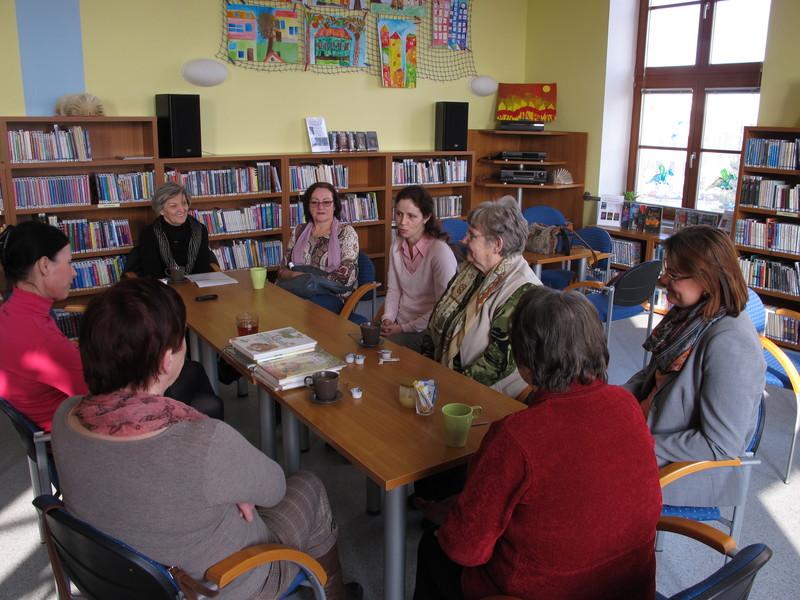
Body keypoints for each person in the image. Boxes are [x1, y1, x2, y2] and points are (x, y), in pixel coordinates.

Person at [51, 277, 360, 600]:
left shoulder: (65, 416)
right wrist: (224, 480)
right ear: (166, 361)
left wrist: (219, 480)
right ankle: (334, 591)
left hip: (118, 576)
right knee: (309, 486)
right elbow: (274, 490)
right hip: (222, 581)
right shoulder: (202, 442)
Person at [414, 286, 662, 600]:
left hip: (541, 590)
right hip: (629, 588)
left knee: (433, 549)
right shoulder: (627, 406)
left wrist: (452, 522)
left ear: (524, 363)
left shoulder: (517, 435)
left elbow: (466, 549)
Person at [0, 222, 222, 431]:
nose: (74, 273)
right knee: (207, 404)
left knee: (193, 371)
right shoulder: (39, 339)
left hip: (73, 413)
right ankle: (203, 452)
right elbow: (103, 396)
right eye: (69, 263)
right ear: (44, 266)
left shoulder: (12, 313)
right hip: (89, 431)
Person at [624, 225, 765, 507]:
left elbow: (721, 444)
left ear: (708, 279)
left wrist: (641, 445)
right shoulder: (689, 317)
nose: (663, 280)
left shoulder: (731, 342)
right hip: (649, 430)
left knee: (579, 477)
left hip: (678, 466)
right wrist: (610, 405)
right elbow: (650, 378)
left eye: (674, 275)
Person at [422, 196, 541, 398]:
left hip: (486, 397)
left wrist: (444, 388)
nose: (463, 240)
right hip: (445, 379)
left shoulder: (522, 290)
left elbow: (495, 365)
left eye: (472, 235)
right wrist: (423, 366)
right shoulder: (472, 271)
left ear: (496, 245)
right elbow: (438, 317)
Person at [381, 186, 457, 352]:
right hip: (400, 322)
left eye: (411, 216)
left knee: (384, 349)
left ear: (426, 217)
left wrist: (403, 328)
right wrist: (388, 318)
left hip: (428, 329)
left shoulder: (440, 252)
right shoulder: (396, 246)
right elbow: (394, 290)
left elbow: (442, 310)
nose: (402, 222)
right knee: (364, 340)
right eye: (399, 213)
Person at [277, 181, 359, 314]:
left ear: (334, 206)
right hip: (297, 289)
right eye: (314, 202)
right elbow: (282, 270)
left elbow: (345, 278)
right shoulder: (298, 231)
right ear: (308, 206)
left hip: (333, 295)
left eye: (326, 202)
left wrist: (308, 279)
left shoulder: (346, 233)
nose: (320, 207)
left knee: (295, 310)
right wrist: (296, 275)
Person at [131, 181, 219, 278]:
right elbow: (153, 274)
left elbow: (203, 270)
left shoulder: (200, 229)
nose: (182, 209)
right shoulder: (149, 233)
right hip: (163, 289)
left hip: (196, 286)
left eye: (184, 203)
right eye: (174, 206)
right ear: (161, 210)